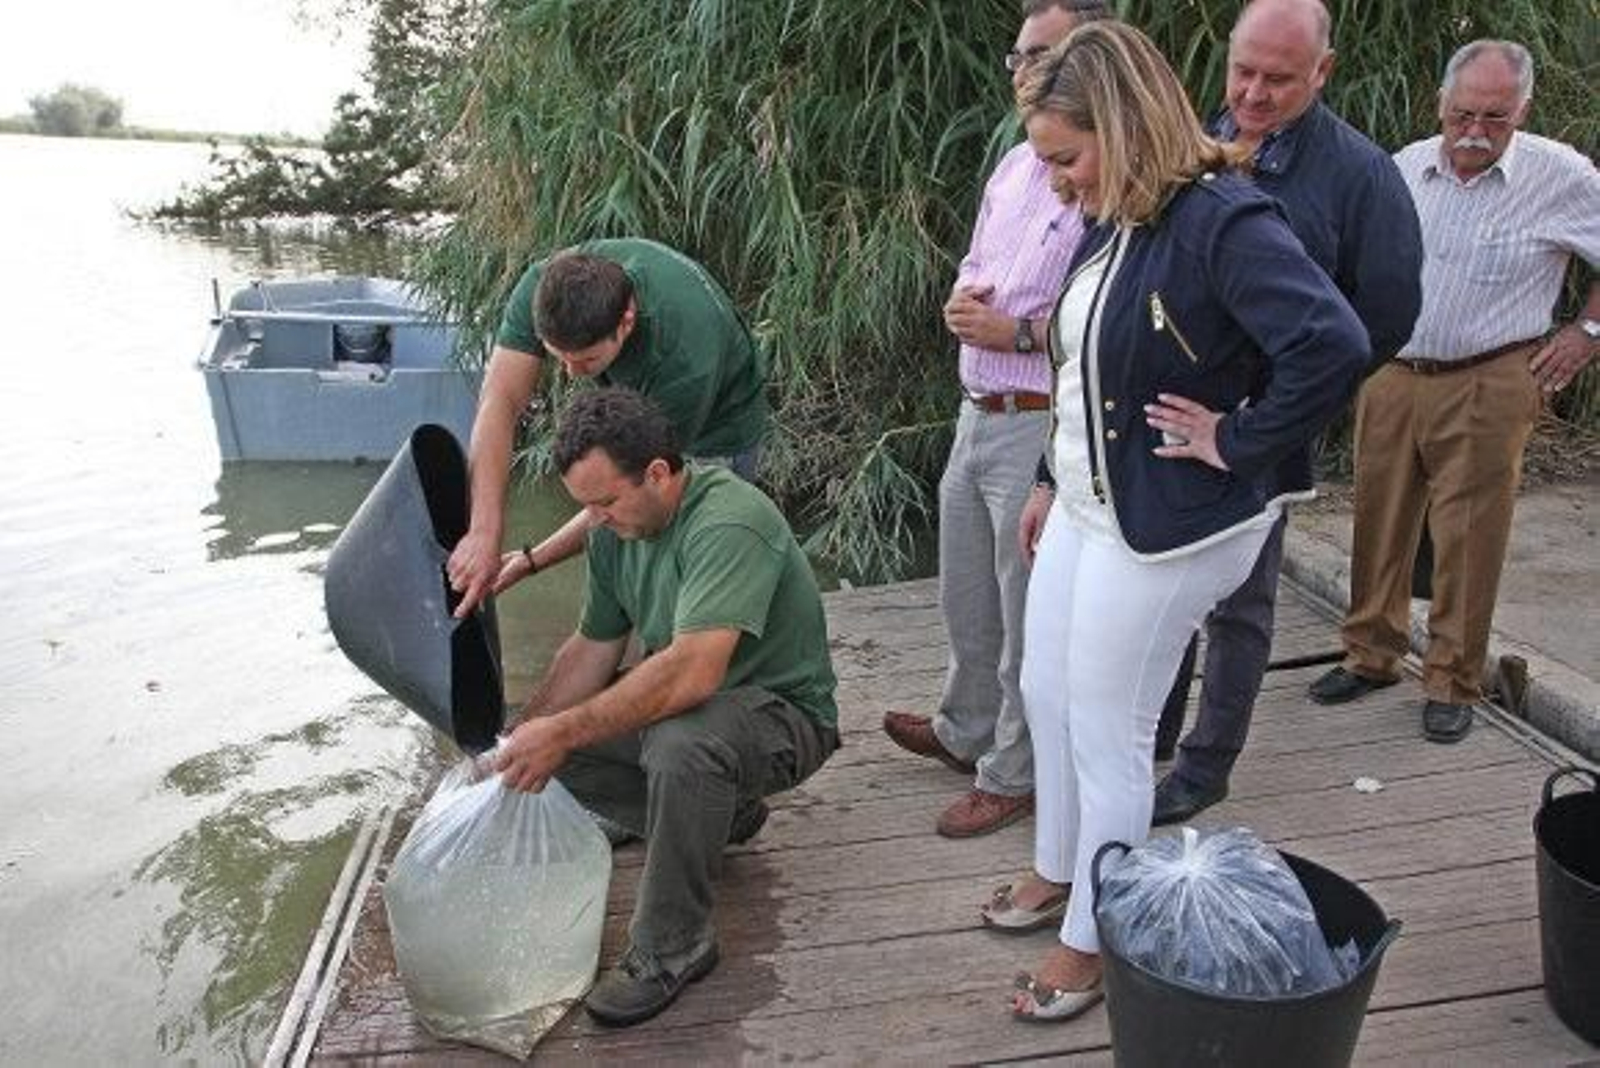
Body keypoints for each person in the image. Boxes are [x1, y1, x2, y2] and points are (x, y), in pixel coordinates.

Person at [1005, 21, 1368, 1021]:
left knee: (1110, 729)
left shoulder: (1222, 221)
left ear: (1119, 127)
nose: (1056, 182)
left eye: (1064, 158)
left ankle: (1095, 935)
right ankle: (1053, 868)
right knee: (1046, 688)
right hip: (1088, 500)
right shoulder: (1115, 210)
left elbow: (1331, 343)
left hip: (1170, 518)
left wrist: (1240, 438)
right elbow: (1081, 366)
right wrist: (1046, 473)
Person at [1148, 0, 1423, 825]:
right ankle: (1149, 737)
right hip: (1172, 414)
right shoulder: (1190, 141)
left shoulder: (1361, 174)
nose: (1255, 94)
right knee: (1161, 586)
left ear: (1322, 73)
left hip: (1264, 429)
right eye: (1244, 72)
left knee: (1240, 601)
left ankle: (1206, 764)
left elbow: (1383, 316)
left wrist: (1273, 416)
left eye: (1279, 78)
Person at [492, 387, 838, 1026]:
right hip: (699, 710)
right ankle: (721, 816)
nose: (593, 520)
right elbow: (591, 649)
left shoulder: (727, 519)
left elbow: (692, 673)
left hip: (785, 715)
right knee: (540, 744)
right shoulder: (611, 530)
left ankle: (674, 947)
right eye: (585, 505)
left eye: (604, 502)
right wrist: (522, 735)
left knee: (684, 745)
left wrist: (562, 730)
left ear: (657, 473)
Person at [1307, 40, 1599, 742]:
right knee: (1378, 516)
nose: (1474, 130)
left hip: (1490, 371)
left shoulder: (1561, 176)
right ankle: (1370, 652)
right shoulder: (1405, 166)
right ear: (1440, 104)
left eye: (1495, 118)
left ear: (1521, 111)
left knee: (1470, 531)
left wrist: (1586, 331)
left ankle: (1452, 679)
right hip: (1395, 368)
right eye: (1463, 113)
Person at [881, 0, 1109, 842]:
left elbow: (1109, 324)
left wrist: (1013, 331)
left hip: (1040, 418)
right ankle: (964, 728)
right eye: (1019, 55)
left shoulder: (1102, 177)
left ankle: (1012, 773)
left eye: (1042, 56)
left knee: (1024, 610)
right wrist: (963, 298)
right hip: (976, 407)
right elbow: (980, 261)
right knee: (965, 593)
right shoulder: (1018, 163)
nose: (1023, 72)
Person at [445, 238, 768, 618]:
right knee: (629, 581)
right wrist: (484, 530)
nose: (570, 373)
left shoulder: (681, 359)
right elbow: (499, 400)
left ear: (626, 322)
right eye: (556, 356)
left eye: (586, 359)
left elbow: (620, 492)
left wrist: (534, 560)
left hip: (718, 433)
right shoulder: (544, 288)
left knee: (687, 581)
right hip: (645, 388)